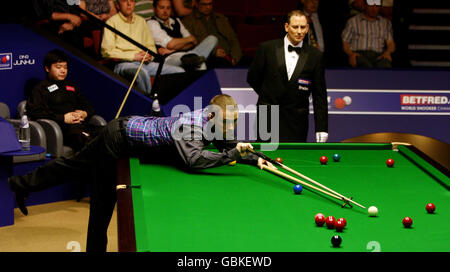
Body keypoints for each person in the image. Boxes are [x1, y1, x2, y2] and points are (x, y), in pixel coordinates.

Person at [8, 94, 274, 252]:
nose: (230, 127)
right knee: (102, 202)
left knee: (74, 165)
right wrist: (233, 156)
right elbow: (194, 160)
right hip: (117, 139)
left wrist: (257, 158)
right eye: (228, 122)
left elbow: (228, 143)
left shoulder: (214, 116)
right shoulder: (190, 126)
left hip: (128, 135)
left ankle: (22, 184)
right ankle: (21, 184)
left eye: (234, 122)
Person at [247, 10, 328, 143]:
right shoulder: (267, 49)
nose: (299, 31)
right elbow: (253, 78)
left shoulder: (315, 56)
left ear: (307, 28)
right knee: (265, 158)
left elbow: (320, 95)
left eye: (303, 27)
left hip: (297, 121)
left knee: (295, 161)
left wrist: (322, 128)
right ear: (286, 27)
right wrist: (269, 94)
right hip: (268, 116)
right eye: (295, 27)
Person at [101, 0, 185, 96]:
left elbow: (151, 47)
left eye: (132, 1)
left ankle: (169, 103)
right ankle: (149, 106)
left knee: (179, 71)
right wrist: (133, 56)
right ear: (117, 6)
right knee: (142, 73)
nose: (129, 4)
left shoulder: (141, 21)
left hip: (145, 62)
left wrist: (149, 55)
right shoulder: (111, 22)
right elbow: (106, 51)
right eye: (125, 1)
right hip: (123, 64)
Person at [26, 49, 103, 152]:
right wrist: (63, 118)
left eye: (65, 67)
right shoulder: (40, 89)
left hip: (81, 125)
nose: (63, 71)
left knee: (106, 132)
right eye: (58, 67)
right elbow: (35, 112)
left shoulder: (71, 86)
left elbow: (88, 106)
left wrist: (84, 113)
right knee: (85, 138)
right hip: (61, 129)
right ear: (47, 68)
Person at [147, 0, 218, 71]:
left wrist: (173, 49)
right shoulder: (152, 23)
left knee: (212, 39)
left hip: (188, 53)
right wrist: (188, 40)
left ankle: (194, 58)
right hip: (169, 58)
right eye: (162, 8)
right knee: (200, 64)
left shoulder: (176, 20)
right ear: (154, 9)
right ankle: (195, 59)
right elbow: (170, 44)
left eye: (168, 8)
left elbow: (194, 41)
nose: (165, 11)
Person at [182, 0, 243, 68]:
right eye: (204, 4)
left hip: (229, 55)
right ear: (196, 4)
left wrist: (235, 57)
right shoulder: (188, 21)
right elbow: (191, 44)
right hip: (209, 57)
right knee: (221, 63)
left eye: (210, 4)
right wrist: (213, 52)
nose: (208, 7)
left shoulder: (220, 18)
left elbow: (233, 39)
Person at [341, 0, 395, 68]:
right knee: (365, 66)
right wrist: (351, 54)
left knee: (385, 64)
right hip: (359, 54)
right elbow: (345, 42)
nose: (374, 8)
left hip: (379, 55)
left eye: (376, 6)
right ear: (365, 6)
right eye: (371, 5)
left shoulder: (385, 23)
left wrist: (387, 53)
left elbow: (390, 43)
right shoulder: (353, 21)